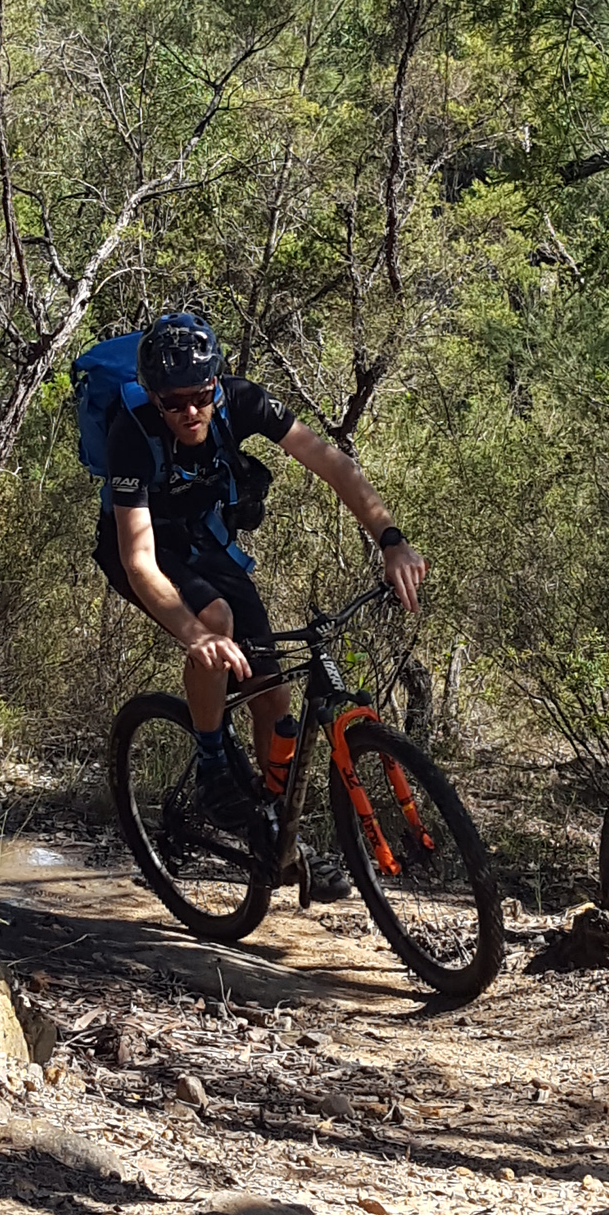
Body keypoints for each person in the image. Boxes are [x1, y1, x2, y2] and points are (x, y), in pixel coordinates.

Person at [93, 309, 426, 833]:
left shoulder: (242, 400)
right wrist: (194, 633)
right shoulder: (130, 433)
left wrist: (391, 540)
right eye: (173, 402)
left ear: (216, 384)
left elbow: (331, 462)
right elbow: (137, 559)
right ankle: (211, 767)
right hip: (136, 542)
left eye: (201, 395)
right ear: (152, 396)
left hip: (202, 536)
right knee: (217, 621)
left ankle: (270, 824)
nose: (190, 412)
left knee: (271, 694)